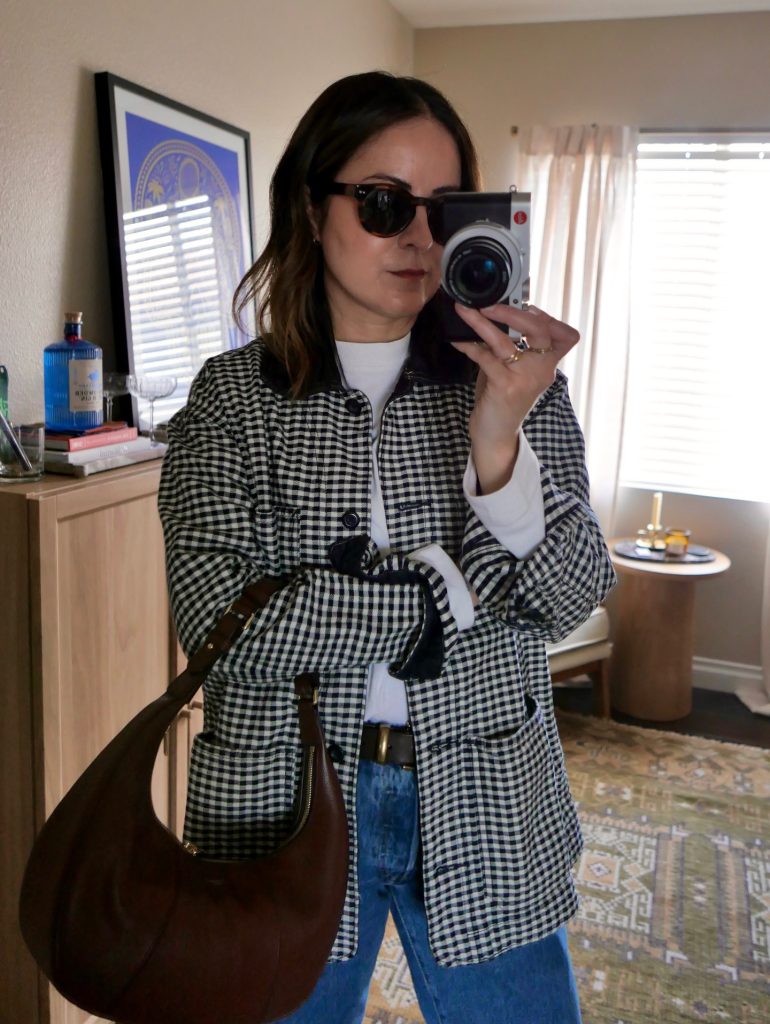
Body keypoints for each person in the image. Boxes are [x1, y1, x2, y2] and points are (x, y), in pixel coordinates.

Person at [158, 70, 615, 1024]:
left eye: (442, 211)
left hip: (488, 784)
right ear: (312, 208)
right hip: (277, 800)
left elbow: (567, 597)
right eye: (381, 203)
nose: (417, 237)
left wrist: (498, 443)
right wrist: (437, 600)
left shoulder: (518, 382)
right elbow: (220, 621)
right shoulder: (233, 399)